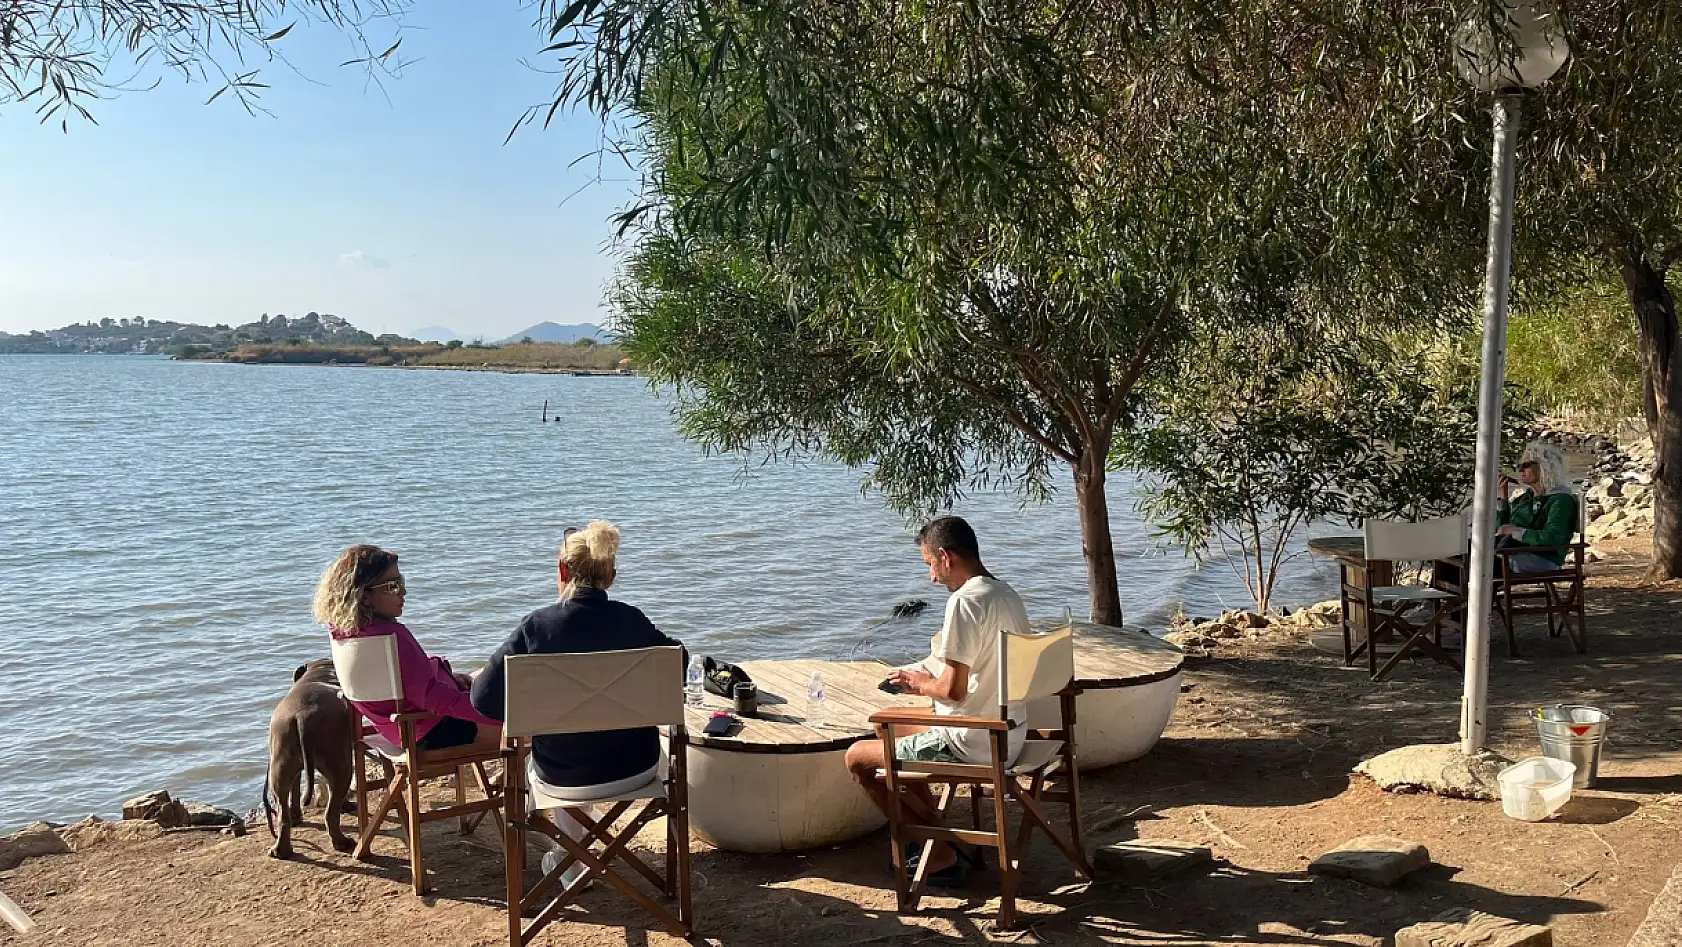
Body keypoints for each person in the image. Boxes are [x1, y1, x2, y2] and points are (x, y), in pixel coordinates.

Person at [471, 521, 685, 893]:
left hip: (563, 777)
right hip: (636, 769)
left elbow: (483, 699)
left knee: (558, 752)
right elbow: (679, 663)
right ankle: (579, 852)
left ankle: (569, 856)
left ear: (562, 570)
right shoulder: (631, 620)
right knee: (582, 746)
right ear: (611, 576)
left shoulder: (537, 628)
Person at [843, 515, 1030, 889]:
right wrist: (925, 682)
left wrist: (918, 682)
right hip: (1010, 730)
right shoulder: (1005, 593)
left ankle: (938, 852)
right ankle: (935, 836)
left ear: (946, 556)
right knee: (884, 725)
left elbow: (953, 691)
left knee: (858, 759)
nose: (931, 577)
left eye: (930, 564)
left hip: (973, 739)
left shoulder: (964, 602)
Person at [312, 545, 501, 755]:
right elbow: (436, 699)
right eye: (392, 586)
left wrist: (449, 678)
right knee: (519, 717)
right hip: (434, 730)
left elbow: (403, 680)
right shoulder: (393, 637)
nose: (403, 591)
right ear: (364, 595)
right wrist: (496, 713)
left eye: (401, 582)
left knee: (489, 673)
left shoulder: (345, 634)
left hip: (394, 729)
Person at [1497, 441, 1578, 574]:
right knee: (1463, 555)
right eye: (1520, 466)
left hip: (1541, 558)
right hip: (1514, 553)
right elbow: (1502, 528)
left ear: (1544, 467)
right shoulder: (1526, 498)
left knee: (1474, 565)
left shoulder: (1560, 500)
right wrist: (1503, 500)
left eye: (1526, 465)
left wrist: (1516, 532)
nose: (1520, 470)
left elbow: (1552, 537)